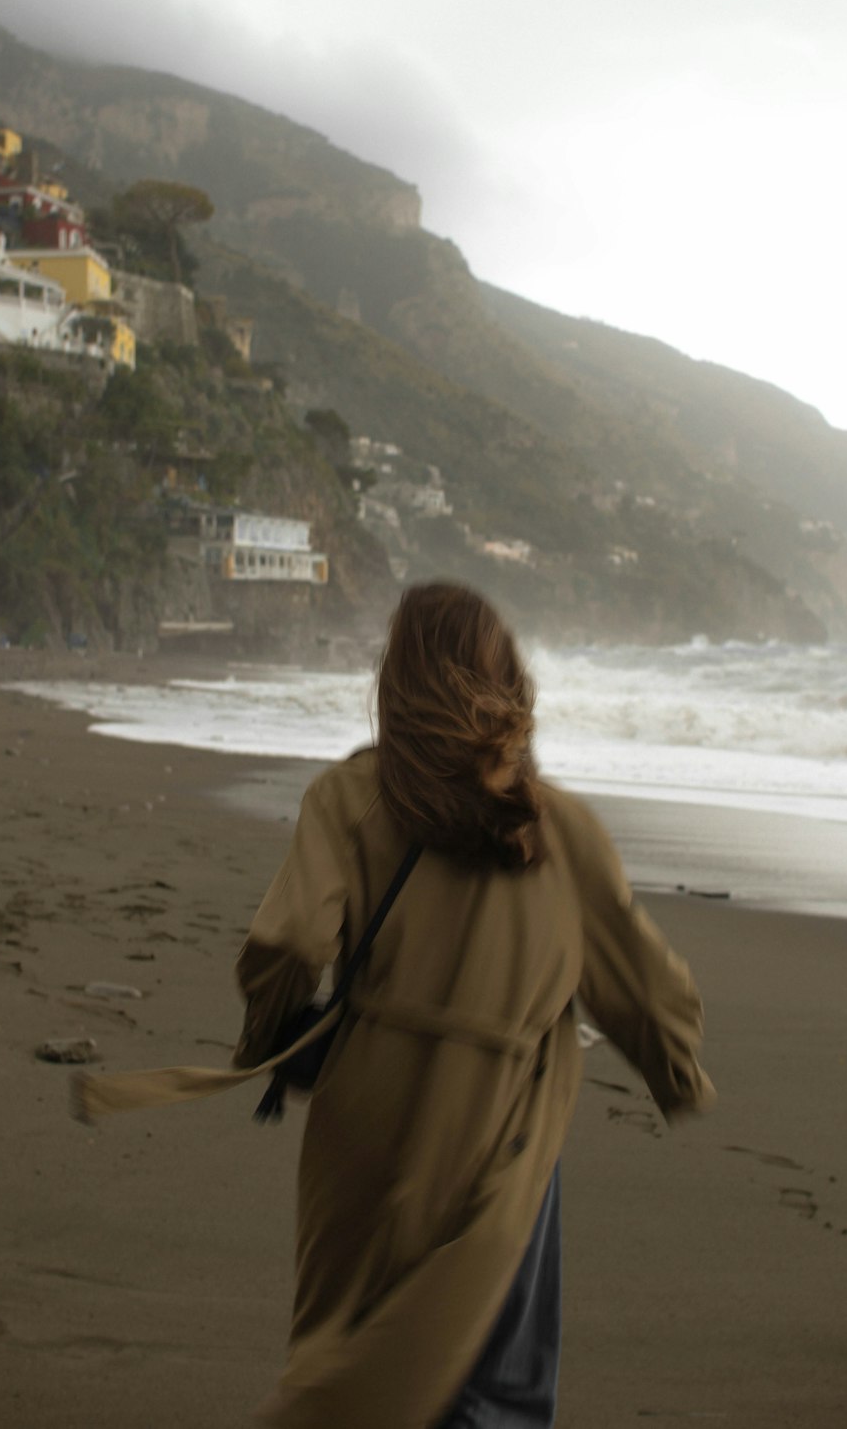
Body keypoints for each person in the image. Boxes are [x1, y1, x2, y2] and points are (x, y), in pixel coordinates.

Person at [232, 582, 715, 1429]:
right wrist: (678, 1076)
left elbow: (287, 945)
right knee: (494, 1395)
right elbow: (647, 984)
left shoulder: (348, 797)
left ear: (397, 680)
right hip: (500, 1126)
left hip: (366, 1118)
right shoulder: (554, 828)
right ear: (509, 681)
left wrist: (266, 1037)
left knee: (340, 1364)